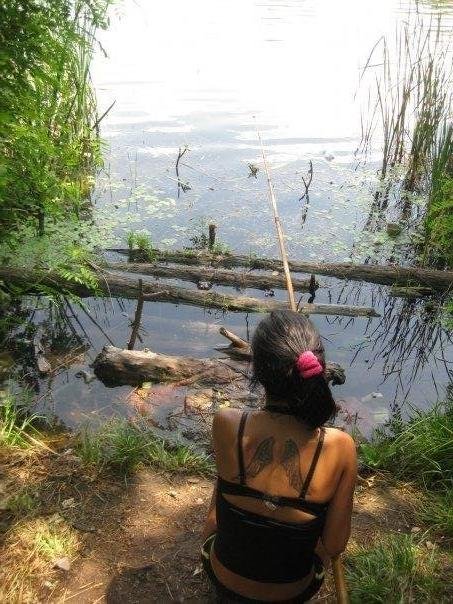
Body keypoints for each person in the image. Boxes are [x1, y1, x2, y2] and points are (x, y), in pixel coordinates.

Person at [201, 310, 357, 603]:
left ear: (258, 371)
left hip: (224, 578)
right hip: (293, 593)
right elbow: (335, 545)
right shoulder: (341, 446)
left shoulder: (227, 423)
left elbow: (215, 515)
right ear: (318, 369)